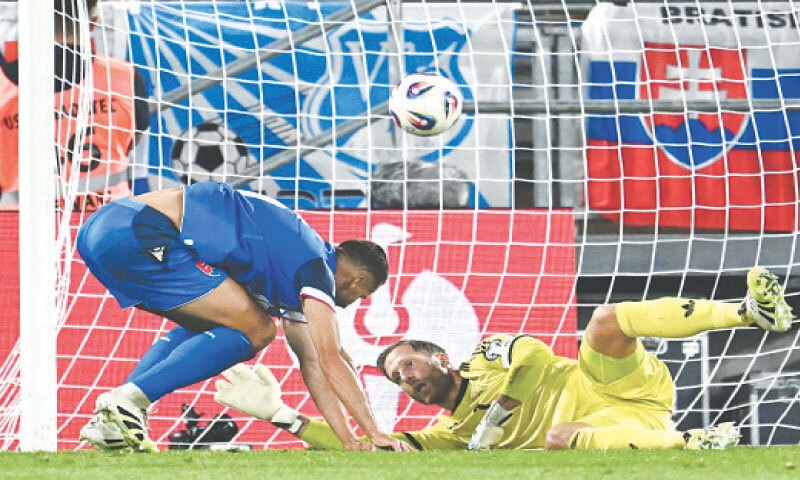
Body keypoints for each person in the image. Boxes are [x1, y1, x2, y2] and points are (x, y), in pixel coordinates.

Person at [214, 266, 794, 450]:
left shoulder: (488, 353)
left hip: (612, 382)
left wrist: (502, 411)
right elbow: (370, 451)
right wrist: (283, 416)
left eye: (410, 365)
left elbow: (538, 358)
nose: (407, 380)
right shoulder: (446, 434)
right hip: (613, 426)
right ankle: (693, 443)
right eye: (396, 379)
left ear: (440, 356)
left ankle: (748, 312)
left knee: (604, 322)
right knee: (562, 440)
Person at [78, 181, 411, 453]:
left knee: (219, 323)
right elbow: (332, 357)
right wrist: (376, 432)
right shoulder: (316, 270)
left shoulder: (293, 263)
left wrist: (350, 441)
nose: (353, 304)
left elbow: (312, 363)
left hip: (103, 230)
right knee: (259, 330)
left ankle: (111, 422)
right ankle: (130, 400)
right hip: (141, 231)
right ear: (358, 280)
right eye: (361, 297)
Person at [0, 0, 150, 211]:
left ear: (31, 21)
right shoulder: (123, 76)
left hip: (20, 227)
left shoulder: (4, 86)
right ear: (93, 22)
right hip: (107, 222)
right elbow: (132, 140)